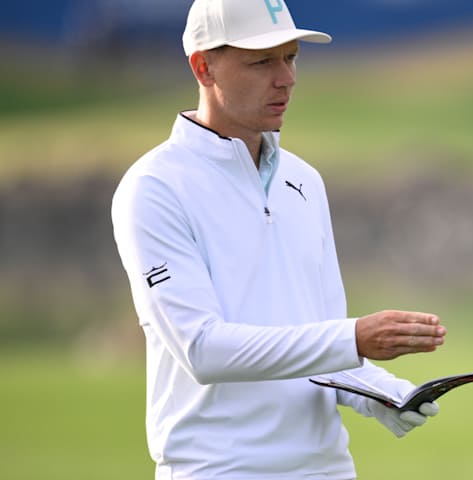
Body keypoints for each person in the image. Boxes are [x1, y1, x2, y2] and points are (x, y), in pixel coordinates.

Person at [110, 1, 447, 478]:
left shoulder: (304, 180)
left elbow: (321, 339)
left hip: (326, 468)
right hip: (218, 469)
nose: (286, 78)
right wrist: (354, 337)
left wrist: (385, 395)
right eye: (261, 61)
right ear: (203, 67)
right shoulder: (155, 187)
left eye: (290, 58)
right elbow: (203, 350)